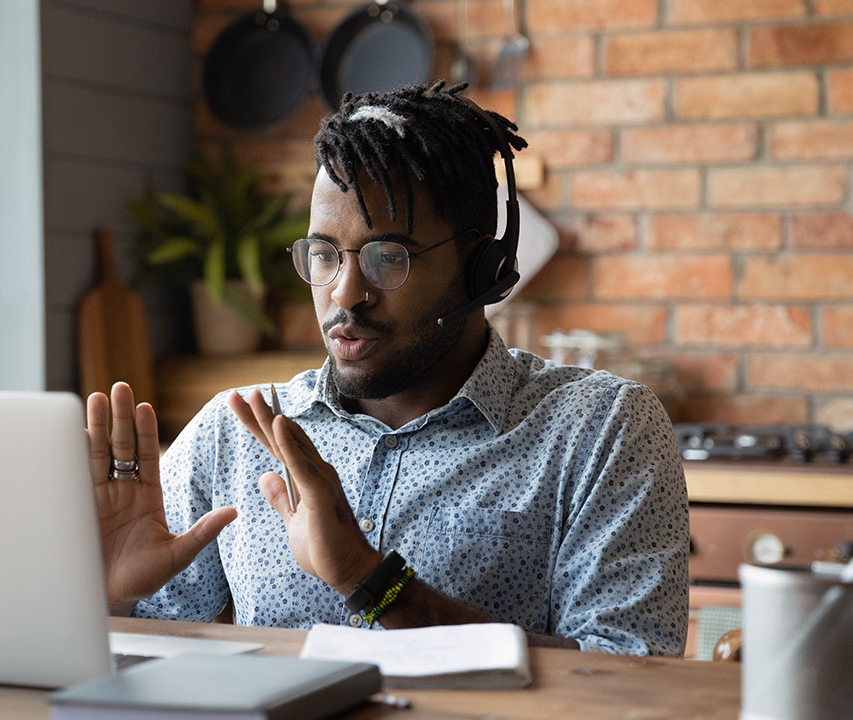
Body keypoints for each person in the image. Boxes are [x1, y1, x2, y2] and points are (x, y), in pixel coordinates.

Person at [86, 82, 689, 656]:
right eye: (324, 255)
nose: (346, 294)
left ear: (481, 267)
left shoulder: (601, 429)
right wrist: (109, 600)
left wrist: (368, 578)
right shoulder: (232, 434)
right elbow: (134, 676)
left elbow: (628, 675)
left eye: (388, 257)